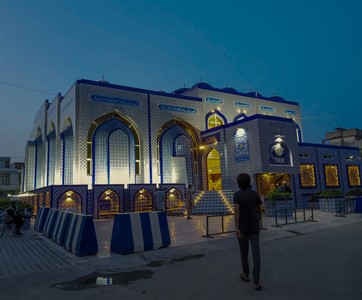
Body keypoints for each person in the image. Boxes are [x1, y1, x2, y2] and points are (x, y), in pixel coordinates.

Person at [234, 173, 262, 291]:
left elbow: (237, 212)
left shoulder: (237, 195)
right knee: (256, 254)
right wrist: (258, 222)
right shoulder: (255, 194)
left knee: (244, 253)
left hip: (242, 228)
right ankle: (256, 281)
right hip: (254, 227)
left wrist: (236, 227)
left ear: (239, 183)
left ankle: (245, 274)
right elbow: (260, 210)